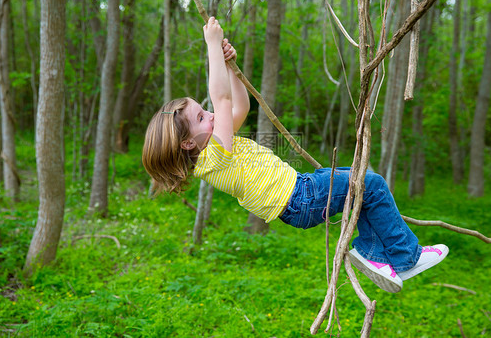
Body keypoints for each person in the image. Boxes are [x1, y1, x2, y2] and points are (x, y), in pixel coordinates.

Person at [142, 17, 448, 293]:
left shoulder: (216, 145)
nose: (210, 115)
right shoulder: (214, 157)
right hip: (301, 197)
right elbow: (221, 100)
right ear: (186, 144)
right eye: (200, 117)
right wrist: (211, 44)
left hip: (301, 190)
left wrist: (233, 69)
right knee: (373, 184)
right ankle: (405, 257)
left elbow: (239, 107)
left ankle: (375, 254)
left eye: (206, 111)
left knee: (361, 186)